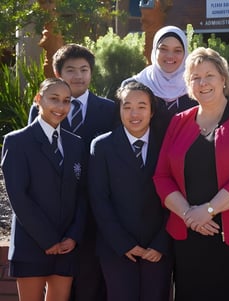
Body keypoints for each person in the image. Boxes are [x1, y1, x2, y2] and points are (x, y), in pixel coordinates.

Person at [153, 47, 229, 301]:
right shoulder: (178, 122)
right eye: (195, 77)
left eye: (209, 75)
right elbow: (162, 177)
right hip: (190, 237)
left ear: (223, 79)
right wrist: (188, 214)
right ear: (188, 85)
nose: (203, 83)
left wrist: (207, 210)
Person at [29, 43, 118, 301]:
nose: (78, 76)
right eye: (71, 70)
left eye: (84, 69)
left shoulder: (109, 109)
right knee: (58, 284)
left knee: (91, 281)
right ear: (58, 74)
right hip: (56, 209)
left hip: (95, 208)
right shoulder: (42, 108)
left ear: (92, 73)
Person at [1, 78, 86, 301]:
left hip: (67, 246)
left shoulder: (76, 144)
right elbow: (18, 196)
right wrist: (48, 240)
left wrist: (73, 236)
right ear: (38, 100)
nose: (60, 107)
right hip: (32, 243)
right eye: (54, 99)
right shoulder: (17, 142)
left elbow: (82, 195)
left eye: (66, 101)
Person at [88, 81, 172, 301]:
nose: (134, 113)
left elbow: (177, 195)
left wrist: (160, 243)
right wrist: (123, 243)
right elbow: (99, 200)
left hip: (158, 248)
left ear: (152, 111)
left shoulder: (167, 145)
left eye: (142, 106)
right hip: (117, 249)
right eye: (127, 106)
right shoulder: (102, 146)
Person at [123, 25, 197, 134]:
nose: (170, 56)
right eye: (163, 49)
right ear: (154, 50)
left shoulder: (195, 88)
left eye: (177, 50)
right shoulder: (133, 86)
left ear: (185, 53)